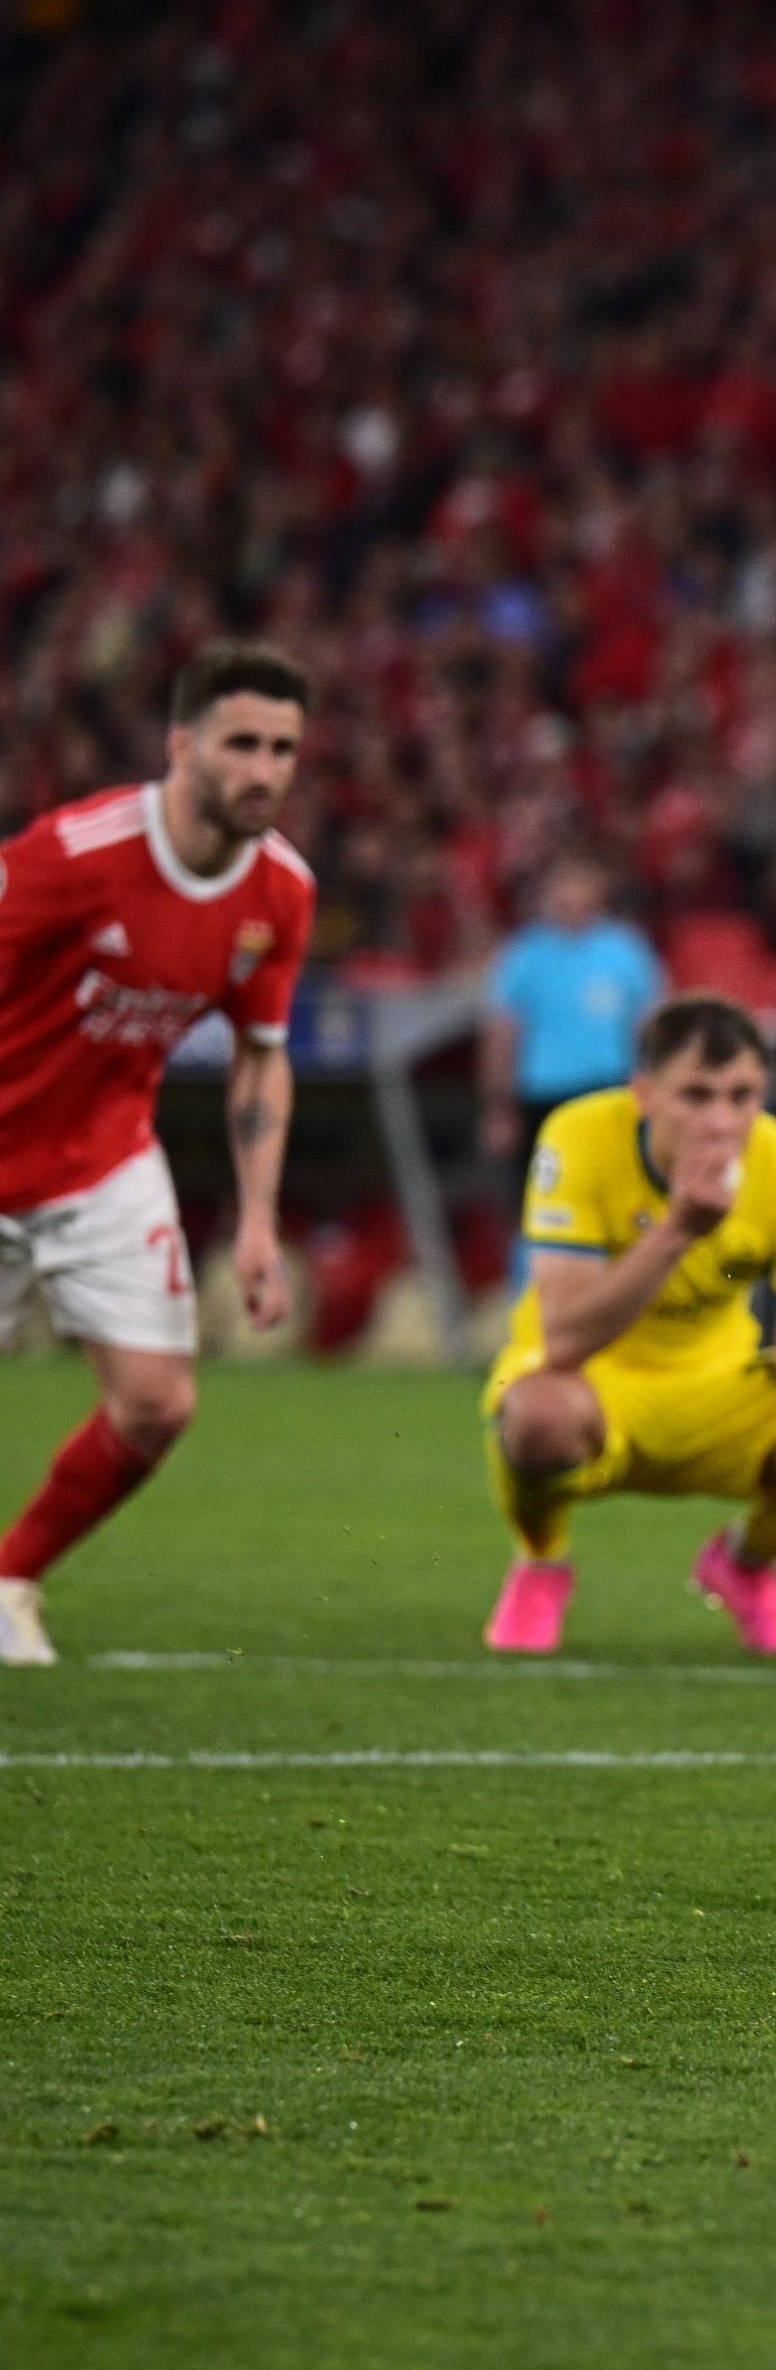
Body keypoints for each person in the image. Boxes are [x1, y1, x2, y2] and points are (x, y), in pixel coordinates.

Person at [0, 643, 317, 1668]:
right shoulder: (74, 854)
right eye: (241, 744)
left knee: (158, 1401)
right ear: (182, 745)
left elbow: (262, 1061)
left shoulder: (280, 891)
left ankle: (11, 1580)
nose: (263, 769)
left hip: (101, 1162)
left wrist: (260, 1220)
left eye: (283, 748)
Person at [480, 995, 776, 1665]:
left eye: (742, 1095)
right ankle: (542, 1561)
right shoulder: (578, 1136)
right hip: (594, 1386)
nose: (722, 1119)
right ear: (644, 1093)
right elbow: (565, 1339)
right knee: (537, 1414)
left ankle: (746, 1563)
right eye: (696, 1094)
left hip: (718, 1389)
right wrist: (677, 1232)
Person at [476, 856, 664, 1171]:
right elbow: (503, 1034)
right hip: (543, 1096)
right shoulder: (523, 955)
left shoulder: (626, 951)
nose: (571, 896)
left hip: (612, 1092)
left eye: (580, 885)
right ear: (547, 894)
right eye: (563, 886)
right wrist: (499, 1108)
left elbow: (648, 1027)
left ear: (598, 892)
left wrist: (655, 1089)